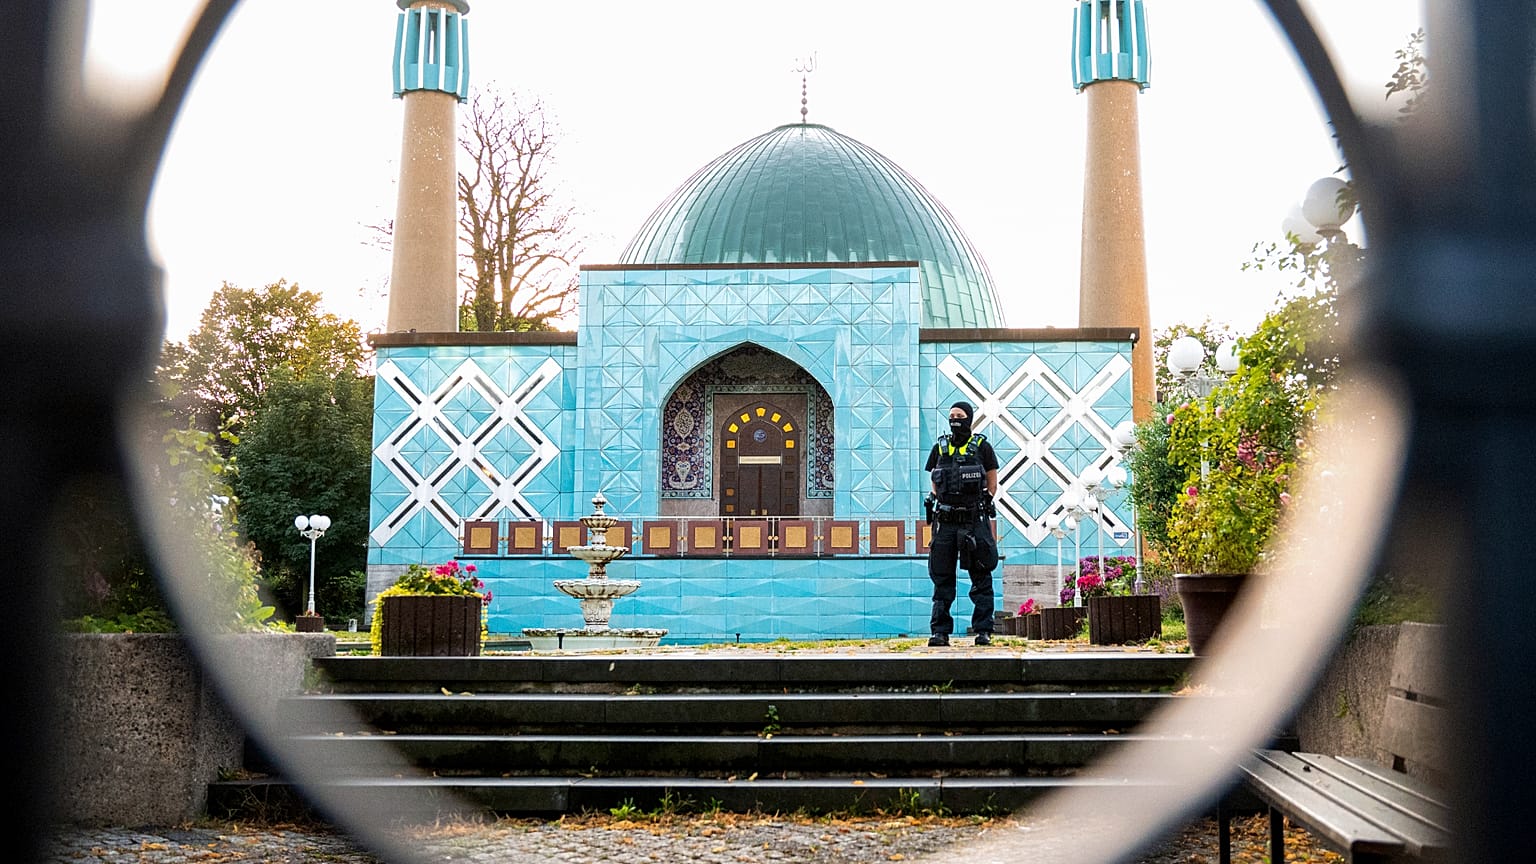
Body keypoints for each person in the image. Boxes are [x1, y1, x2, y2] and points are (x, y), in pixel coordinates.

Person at [923, 401, 999, 647]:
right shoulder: (940, 447)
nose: (955, 419)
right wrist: (936, 499)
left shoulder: (982, 447)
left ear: (969, 419)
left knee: (981, 575)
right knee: (942, 578)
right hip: (945, 522)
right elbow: (934, 478)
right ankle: (940, 632)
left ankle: (983, 630)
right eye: (952, 416)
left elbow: (992, 479)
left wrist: (986, 499)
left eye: (960, 415)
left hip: (973, 519)